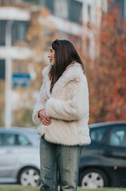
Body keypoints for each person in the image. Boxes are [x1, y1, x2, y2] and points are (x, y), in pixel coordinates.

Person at [32, 39, 91, 191]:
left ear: (61, 53)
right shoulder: (49, 76)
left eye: (51, 51)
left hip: (69, 138)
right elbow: (40, 101)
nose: (48, 55)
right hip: (47, 135)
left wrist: (49, 108)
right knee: (46, 184)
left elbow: (77, 110)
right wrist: (39, 111)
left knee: (68, 185)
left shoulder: (77, 79)